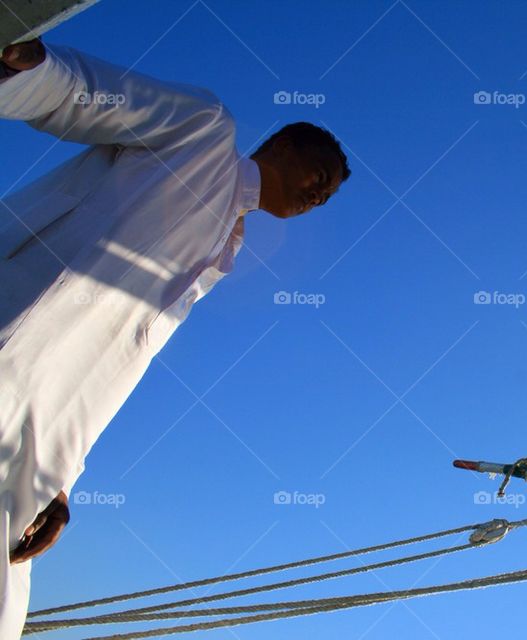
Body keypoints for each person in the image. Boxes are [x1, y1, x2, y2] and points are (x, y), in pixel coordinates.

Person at [0, 37, 350, 636]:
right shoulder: (205, 135)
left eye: (328, 195)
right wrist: (25, 65)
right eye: (320, 175)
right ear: (284, 145)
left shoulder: (223, 251)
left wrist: (59, 483)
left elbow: (109, 369)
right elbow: (89, 97)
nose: (320, 194)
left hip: (32, 455)